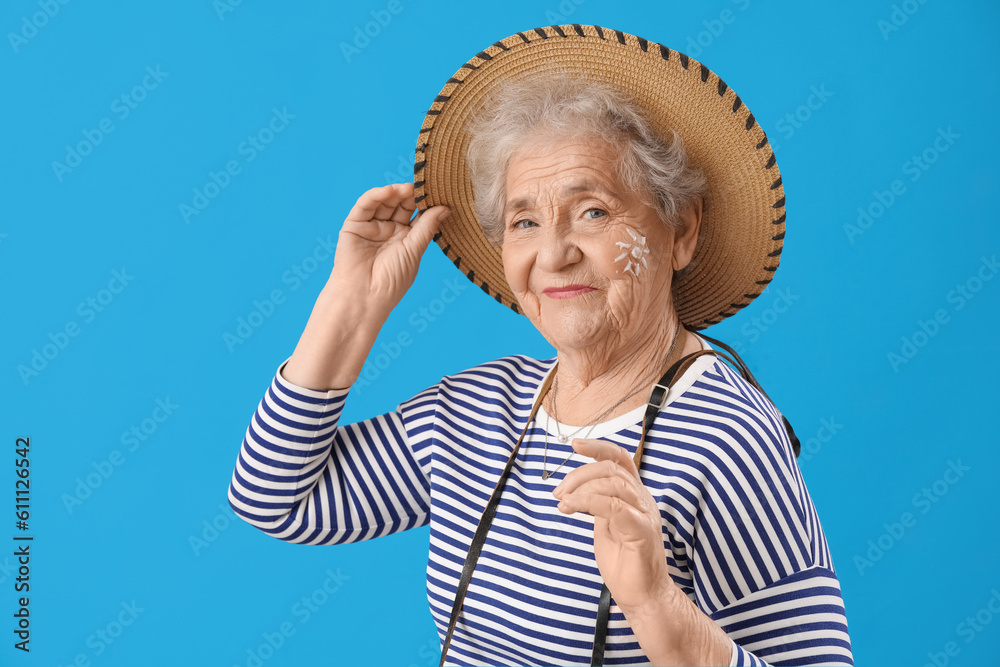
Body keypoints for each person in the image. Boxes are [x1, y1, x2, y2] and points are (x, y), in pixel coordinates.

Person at [228, 25, 853, 667]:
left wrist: (654, 604)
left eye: (594, 212)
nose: (554, 253)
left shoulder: (727, 438)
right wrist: (350, 306)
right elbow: (276, 498)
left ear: (681, 231)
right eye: (525, 222)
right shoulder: (479, 411)